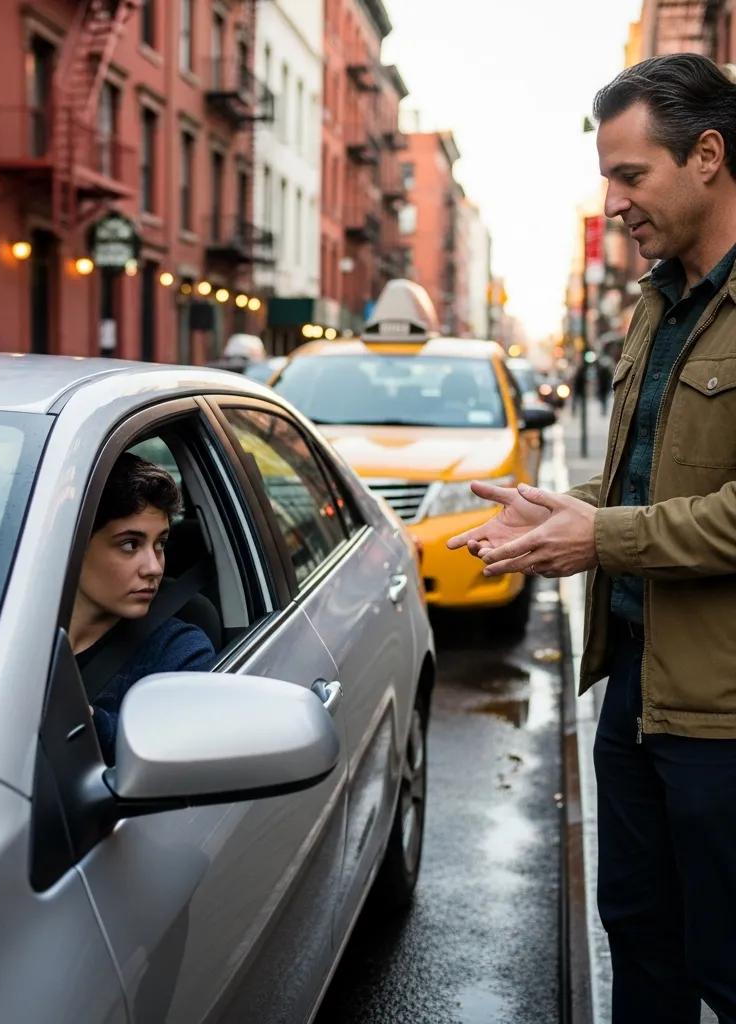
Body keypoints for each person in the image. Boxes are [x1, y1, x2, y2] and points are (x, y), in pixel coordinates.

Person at [448, 54, 736, 1024]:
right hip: (634, 693)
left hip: (723, 721)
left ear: (707, 156)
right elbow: (647, 477)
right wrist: (551, 510)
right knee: (639, 942)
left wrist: (600, 535)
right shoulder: (658, 302)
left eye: (629, 175)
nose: (612, 202)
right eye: (606, 178)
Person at [70, 452, 216, 764]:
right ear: (73, 546)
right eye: (130, 545)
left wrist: (63, 711)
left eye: (160, 544)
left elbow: (172, 760)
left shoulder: (180, 653)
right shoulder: (5, 627)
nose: (154, 567)